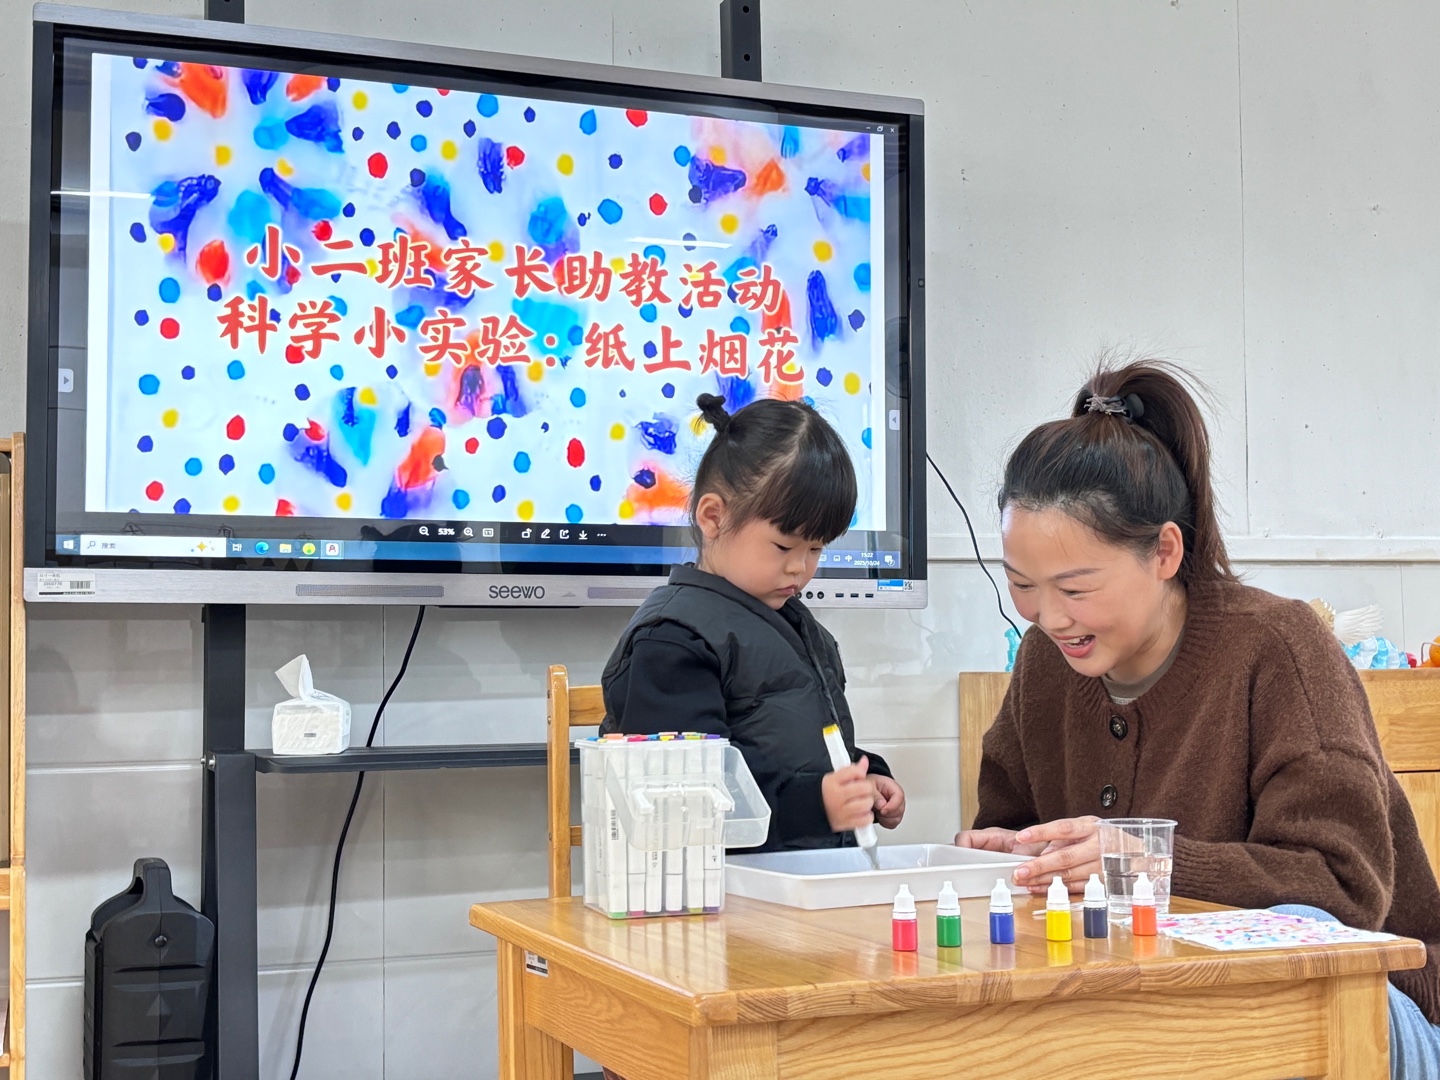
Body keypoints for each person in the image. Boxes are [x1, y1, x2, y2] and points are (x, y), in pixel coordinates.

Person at [954, 359, 1440, 1076]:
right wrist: (1011, 859)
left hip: (1357, 1006)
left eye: (1075, 589)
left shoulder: (1277, 646)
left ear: (1164, 551)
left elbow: (1343, 890)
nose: (1049, 618)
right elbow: (1024, 835)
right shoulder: (1043, 665)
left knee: (1299, 938)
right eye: (1022, 585)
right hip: (1158, 1008)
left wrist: (1143, 865)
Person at [600, 393, 906, 852]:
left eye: (816, 549)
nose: (800, 567)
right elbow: (685, 802)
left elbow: (800, 749)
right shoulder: (672, 641)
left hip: (801, 881)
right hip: (723, 888)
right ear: (714, 517)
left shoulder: (795, 624)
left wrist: (866, 777)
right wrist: (817, 804)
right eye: (784, 546)